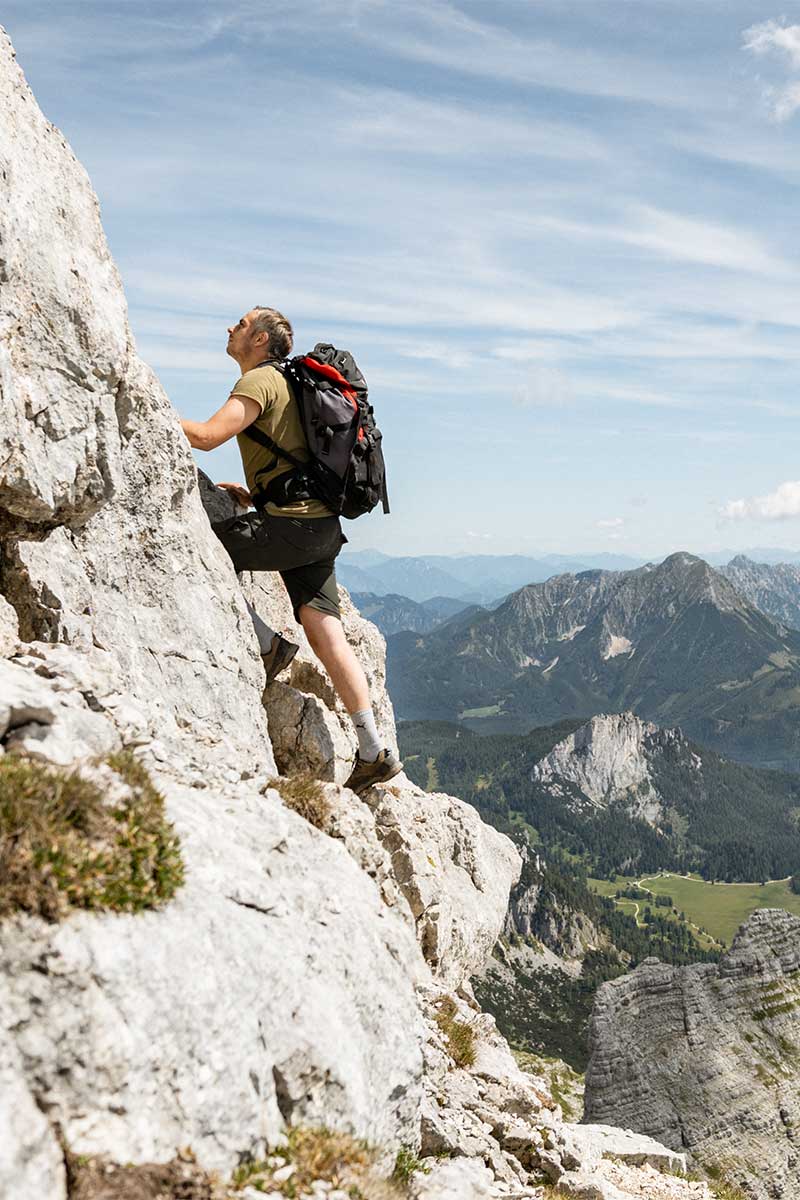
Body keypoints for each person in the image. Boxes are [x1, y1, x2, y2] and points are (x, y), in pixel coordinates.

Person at [179, 306, 402, 795]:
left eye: (239, 324)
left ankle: (266, 642)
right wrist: (255, 495)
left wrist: (145, 410)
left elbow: (209, 436)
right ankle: (372, 748)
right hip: (319, 527)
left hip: (291, 526)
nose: (230, 328)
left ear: (259, 339)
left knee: (194, 550)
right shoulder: (291, 382)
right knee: (326, 631)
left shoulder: (259, 382)